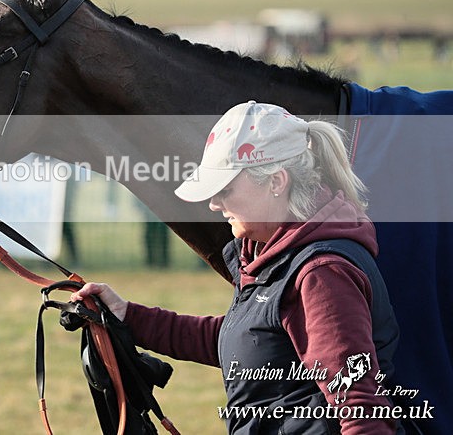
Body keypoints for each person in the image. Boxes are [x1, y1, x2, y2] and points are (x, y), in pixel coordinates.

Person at [72, 101, 403, 434]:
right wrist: (128, 315)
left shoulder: (320, 274)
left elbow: (363, 412)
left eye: (226, 189)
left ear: (276, 181)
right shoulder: (278, 254)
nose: (215, 203)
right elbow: (246, 339)